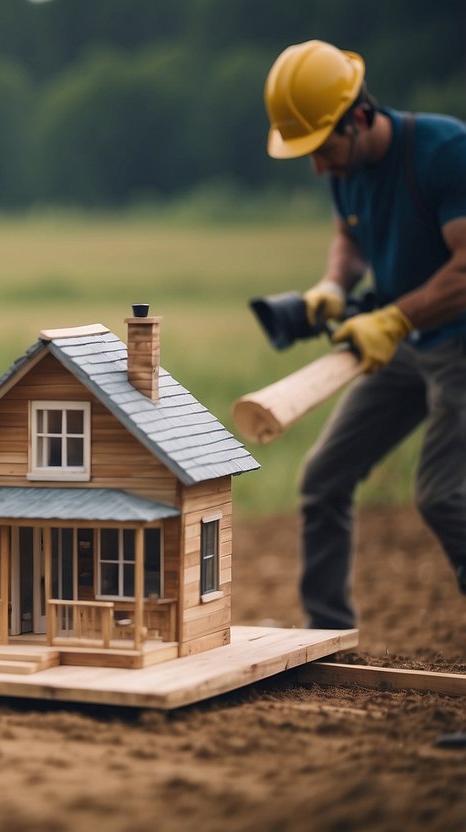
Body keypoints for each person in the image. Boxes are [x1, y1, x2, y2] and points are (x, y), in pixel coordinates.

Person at [263, 40, 466, 628]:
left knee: (443, 495)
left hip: (458, 343)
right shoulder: (344, 168)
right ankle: (326, 636)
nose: (318, 166)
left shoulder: (444, 151)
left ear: (358, 117)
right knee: (323, 480)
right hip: (409, 345)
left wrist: (396, 317)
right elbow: (351, 236)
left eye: (322, 149)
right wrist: (331, 286)